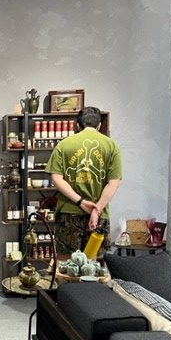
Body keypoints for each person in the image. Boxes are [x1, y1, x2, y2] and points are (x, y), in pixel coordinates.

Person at [45, 106, 122, 256]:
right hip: (99, 215)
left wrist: (81, 202)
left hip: (69, 212)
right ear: (99, 125)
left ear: (77, 125)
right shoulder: (112, 147)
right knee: (96, 263)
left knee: (66, 262)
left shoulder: (63, 145)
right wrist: (96, 209)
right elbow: (114, 183)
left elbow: (56, 178)